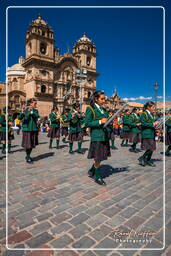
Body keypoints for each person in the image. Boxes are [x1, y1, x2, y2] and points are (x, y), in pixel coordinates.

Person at [85, 90, 111, 185]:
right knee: (98, 157)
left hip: (104, 136)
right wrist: (100, 121)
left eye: (105, 98)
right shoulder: (90, 109)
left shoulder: (104, 110)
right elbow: (87, 123)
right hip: (97, 136)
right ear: (96, 99)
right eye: (102, 99)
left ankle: (92, 170)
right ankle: (97, 176)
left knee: (101, 156)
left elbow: (106, 121)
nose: (104, 100)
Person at [18, 98, 39, 163]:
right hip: (27, 129)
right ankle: (27, 156)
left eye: (36, 103)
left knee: (32, 144)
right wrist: (22, 112)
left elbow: (37, 116)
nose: (36, 104)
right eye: (34, 103)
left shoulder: (35, 111)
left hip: (33, 129)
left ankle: (28, 155)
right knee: (28, 144)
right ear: (30, 103)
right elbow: (19, 118)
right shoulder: (25, 110)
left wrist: (32, 113)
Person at [138, 101, 158, 167]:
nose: (153, 108)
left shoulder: (150, 114)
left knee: (152, 147)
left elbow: (152, 123)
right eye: (153, 107)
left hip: (152, 133)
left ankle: (148, 160)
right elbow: (143, 123)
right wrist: (152, 124)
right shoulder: (144, 114)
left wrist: (157, 124)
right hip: (147, 133)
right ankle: (143, 158)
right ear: (148, 107)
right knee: (151, 147)